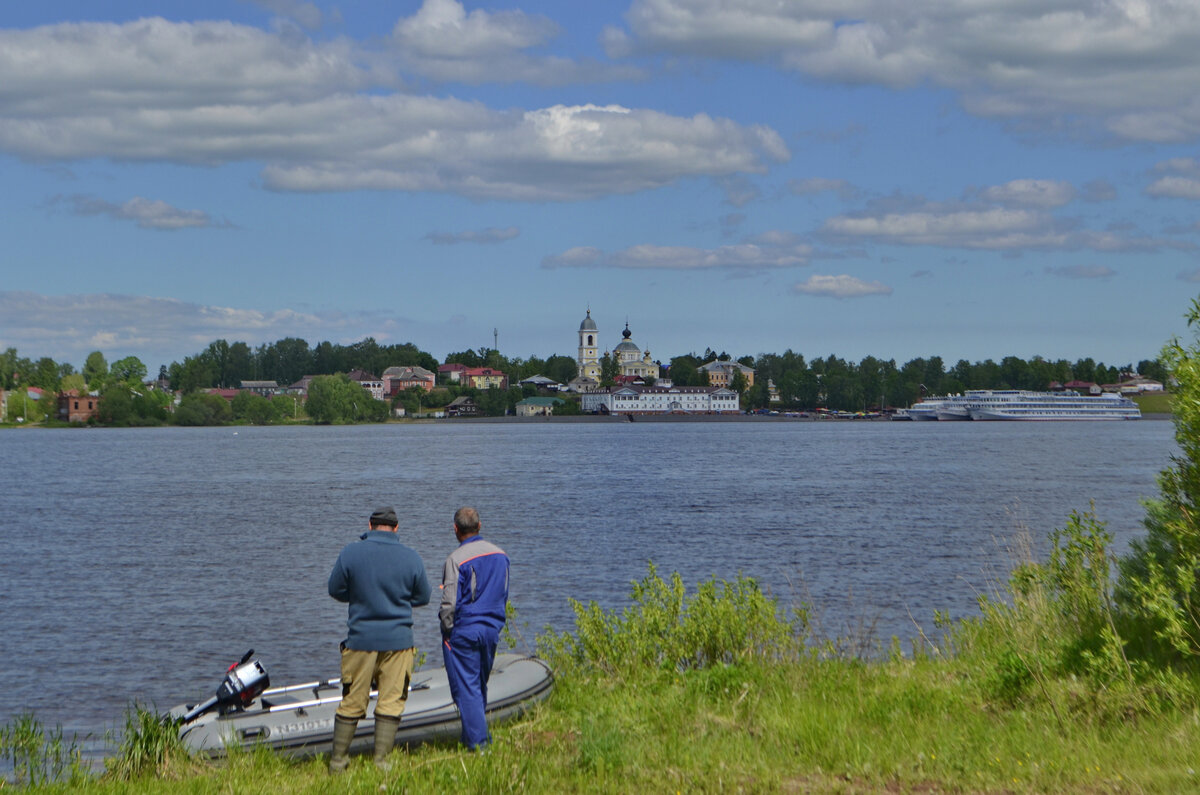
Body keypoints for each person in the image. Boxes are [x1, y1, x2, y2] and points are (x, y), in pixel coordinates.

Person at [327, 506, 431, 772]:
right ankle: (381, 762)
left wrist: (360, 596)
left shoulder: (350, 552)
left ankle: (338, 762)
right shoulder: (411, 557)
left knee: (352, 701)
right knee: (392, 701)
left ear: (369, 525)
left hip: (360, 640)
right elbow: (423, 597)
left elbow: (335, 589)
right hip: (399, 642)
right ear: (396, 528)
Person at [439, 506, 509, 750]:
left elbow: (450, 603)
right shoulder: (501, 555)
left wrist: (447, 629)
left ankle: (479, 746)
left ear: (456, 530)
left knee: (467, 689)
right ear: (479, 526)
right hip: (491, 629)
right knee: (479, 685)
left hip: (465, 631)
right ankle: (474, 738)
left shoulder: (455, 559)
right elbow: (503, 593)